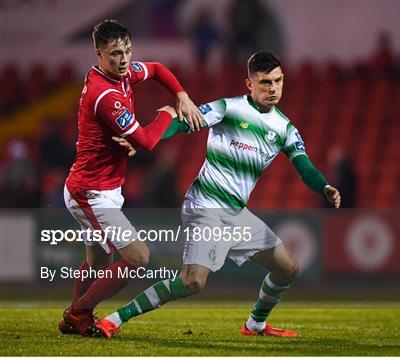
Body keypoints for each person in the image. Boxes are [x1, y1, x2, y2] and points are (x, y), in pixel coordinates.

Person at [93, 51, 341, 338]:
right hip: (206, 206)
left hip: (236, 213)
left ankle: (255, 325)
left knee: (288, 268)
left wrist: (323, 186)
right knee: (192, 282)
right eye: (265, 83)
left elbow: (304, 166)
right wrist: (145, 137)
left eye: (278, 81)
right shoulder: (229, 108)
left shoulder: (285, 129)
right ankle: (115, 318)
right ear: (249, 84)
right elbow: (185, 122)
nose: (273, 89)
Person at [59, 19, 203, 336]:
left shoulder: (119, 73)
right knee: (138, 257)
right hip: (91, 192)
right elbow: (148, 141)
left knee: (97, 261)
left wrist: (182, 94)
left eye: (126, 51)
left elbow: (156, 69)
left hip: (98, 186)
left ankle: (74, 317)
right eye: (114, 54)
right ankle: (79, 312)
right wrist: (167, 112)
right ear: (98, 52)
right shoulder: (105, 95)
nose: (123, 60)